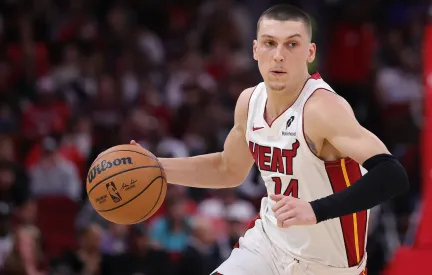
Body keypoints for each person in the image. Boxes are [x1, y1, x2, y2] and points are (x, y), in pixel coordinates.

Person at [128, 4, 409, 275]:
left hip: (329, 266)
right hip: (268, 247)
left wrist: (315, 210)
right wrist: (157, 167)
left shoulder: (322, 108)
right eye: (270, 43)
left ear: (310, 52)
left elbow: (392, 175)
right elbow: (228, 169)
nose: (278, 55)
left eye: (292, 44)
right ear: (255, 49)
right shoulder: (249, 102)